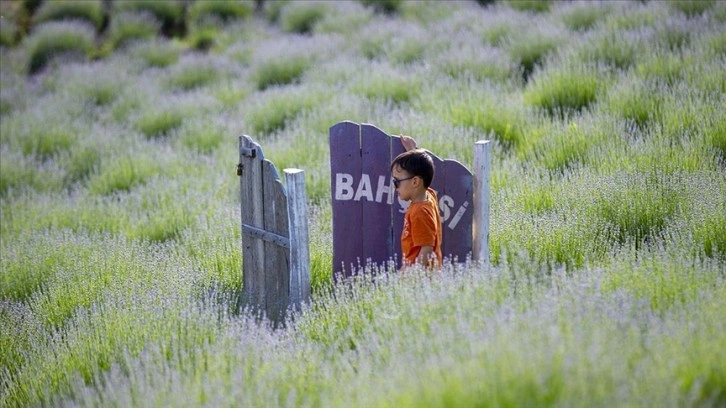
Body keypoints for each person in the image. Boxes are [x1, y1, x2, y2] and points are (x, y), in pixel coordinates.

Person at [391, 135, 443, 270]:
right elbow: (423, 172)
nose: (395, 187)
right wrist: (412, 150)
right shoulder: (428, 195)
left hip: (423, 278)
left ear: (415, 182)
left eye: (396, 182)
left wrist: (412, 276)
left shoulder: (420, 212)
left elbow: (426, 249)